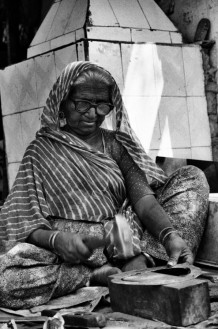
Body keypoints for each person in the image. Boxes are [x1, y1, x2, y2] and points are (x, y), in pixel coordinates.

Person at [0, 61, 209, 309]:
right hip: (71, 253)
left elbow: (143, 198)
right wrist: (57, 239)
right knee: (5, 278)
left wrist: (170, 236)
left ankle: (147, 261)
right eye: (83, 104)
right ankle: (94, 277)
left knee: (191, 177)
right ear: (62, 102)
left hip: (124, 239)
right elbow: (23, 217)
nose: (93, 113)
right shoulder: (40, 150)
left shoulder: (115, 144)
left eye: (102, 105)